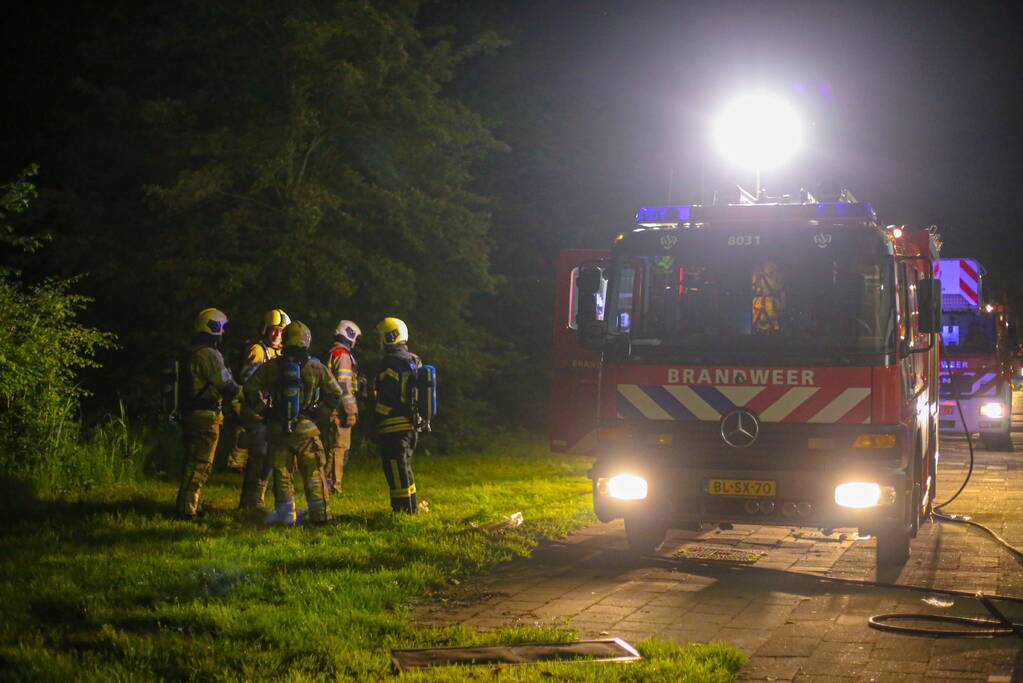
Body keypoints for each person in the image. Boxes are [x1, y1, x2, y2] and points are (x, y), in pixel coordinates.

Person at [243, 321, 342, 524]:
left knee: (281, 475)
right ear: (306, 341)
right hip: (307, 428)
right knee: (314, 473)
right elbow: (335, 394)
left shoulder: (271, 367)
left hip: (278, 428)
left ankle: (286, 517)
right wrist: (318, 414)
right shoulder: (315, 367)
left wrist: (265, 412)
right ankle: (321, 516)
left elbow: (250, 388)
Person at [176, 308, 241, 520]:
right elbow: (226, 385)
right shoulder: (209, 355)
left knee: (191, 462)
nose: (223, 334)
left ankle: (186, 504)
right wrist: (245, 391)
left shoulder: (192, 352)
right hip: (205, 417)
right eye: (222, 329)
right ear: (215, 328)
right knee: (200, 463)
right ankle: (188, 510)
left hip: (191, 414)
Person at [236, 309, 291, 512]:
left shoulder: (283, 353)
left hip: (272, 413)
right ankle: (250, 501)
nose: (276, 335)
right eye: (273, 330)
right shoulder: (258, 351)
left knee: (270, 457)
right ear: (265, 331)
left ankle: (256, 498)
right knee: (259, 455)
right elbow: (248, 380)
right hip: (258, 412)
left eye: (281, 331)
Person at [373, 317, 422, 514]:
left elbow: (387, 397)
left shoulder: (390, 363)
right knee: (405, 467)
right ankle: (412, 507)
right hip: (412, 425)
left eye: (381, 336)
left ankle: (402, 512)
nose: (379, 341)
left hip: (394, 425)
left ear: (390, 336)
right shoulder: (414, 360)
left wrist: (375, 418)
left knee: (395, 468)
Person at [318, 320, 361, 494]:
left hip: (331, 406)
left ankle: (327, 484)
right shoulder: (342, 355)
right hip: (339, 409)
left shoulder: (333, 353)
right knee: (338, 448)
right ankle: (332, 486)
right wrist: (350, 410)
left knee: (334, 447)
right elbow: (344, 386)